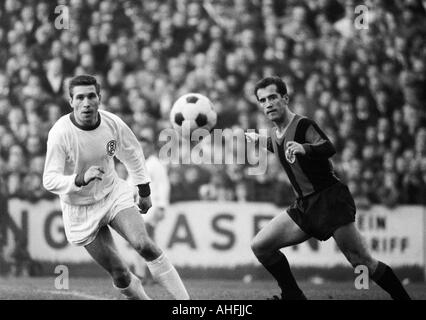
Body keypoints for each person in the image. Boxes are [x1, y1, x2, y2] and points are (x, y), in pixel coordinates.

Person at [245, 76, 411, 300]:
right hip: (304, 206)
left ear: (285, 98)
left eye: (273, 97)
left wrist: (306, 149)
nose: (268, 104)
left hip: (329, 200)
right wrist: (258, 140)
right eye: (263, 100)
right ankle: (293, 295)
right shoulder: (275, 133)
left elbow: (327, 146)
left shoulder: (303, 124)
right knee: (261, 246)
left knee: (361, 262)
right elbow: (280, 145)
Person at [43, 74, 189, 300]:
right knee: (120, 274)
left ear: (99, 98)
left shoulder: (112, 123)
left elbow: (133, 155)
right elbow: (49, 179)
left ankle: (186, 304)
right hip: (80, 209)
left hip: (112, 194)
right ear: (71, 102)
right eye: (80, 97)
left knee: (144, 245)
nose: (86, 103)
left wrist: (144, 191)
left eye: (91, 96)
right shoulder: (60, 133)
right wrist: (79, 179)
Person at [131, 133, 171, 283]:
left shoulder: (155, 164)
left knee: (142, 240)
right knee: (147, 241)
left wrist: (162, 206)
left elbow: (163, 185)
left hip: (153, 207)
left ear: (150, 148)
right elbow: (131, 185)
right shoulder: (139, 163)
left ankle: (143, 275)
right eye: (139, 148)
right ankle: (155, 274)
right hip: (141, 207)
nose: (142, 151)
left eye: (144, 147)